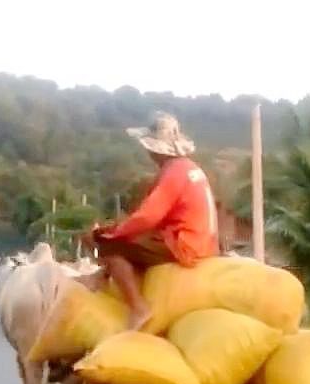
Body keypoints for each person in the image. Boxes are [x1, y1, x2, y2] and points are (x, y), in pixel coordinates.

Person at [85, 112, 219, 329]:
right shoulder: (189, 168)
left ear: (155, 148)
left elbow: (148, 216)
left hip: (184, 244)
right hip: (203, 241)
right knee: (129, 240)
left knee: (109, 245)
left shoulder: (173, 172)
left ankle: (139, 308)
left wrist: (114, 232)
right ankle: (102, 275)